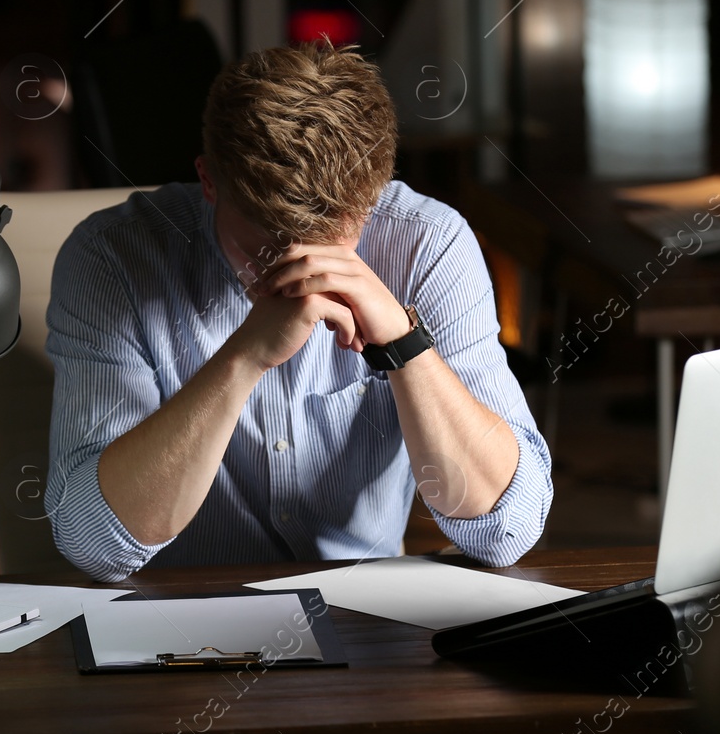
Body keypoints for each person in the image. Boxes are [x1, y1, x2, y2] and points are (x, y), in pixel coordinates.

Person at [44, 40, 552, 583]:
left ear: (373, 195)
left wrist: (406, 346)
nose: (300, 282)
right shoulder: (111, 257)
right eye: (267, 253)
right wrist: (243, 357)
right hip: (177, 620)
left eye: (328, 249)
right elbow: (94, 543)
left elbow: (507, 531)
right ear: (209, 181)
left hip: (367, 615)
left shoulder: (428, 245)